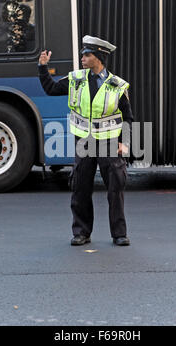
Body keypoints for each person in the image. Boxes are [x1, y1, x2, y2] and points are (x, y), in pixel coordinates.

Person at [38, 35, 134, 246]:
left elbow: (127, 117)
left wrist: (122, 143)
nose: (82, 58)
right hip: (84, 142)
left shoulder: (117, 86)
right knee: (80, 187)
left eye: (87, 55)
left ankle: (119, 234)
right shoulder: (76, 79)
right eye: (83, 54)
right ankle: (81, 232)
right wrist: (42, 68)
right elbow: (51, 89)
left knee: (115, 189)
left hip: (109, 142)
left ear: (98, 58)